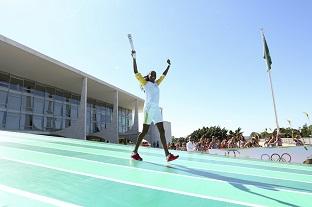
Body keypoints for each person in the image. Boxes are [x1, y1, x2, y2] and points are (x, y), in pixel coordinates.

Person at [130, 50, 179, 162]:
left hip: (156, 109)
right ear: (148, 75)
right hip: (148, 109)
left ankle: (167, 155)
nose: (154, 76)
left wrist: (168, 66)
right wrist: (134, 58)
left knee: (162, 131)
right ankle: (134, 152)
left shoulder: (157, 84)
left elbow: (163, 76)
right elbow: (135, 71)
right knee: (144, 132)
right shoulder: (144, 83)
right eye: (152, 74)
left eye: (155, 75)